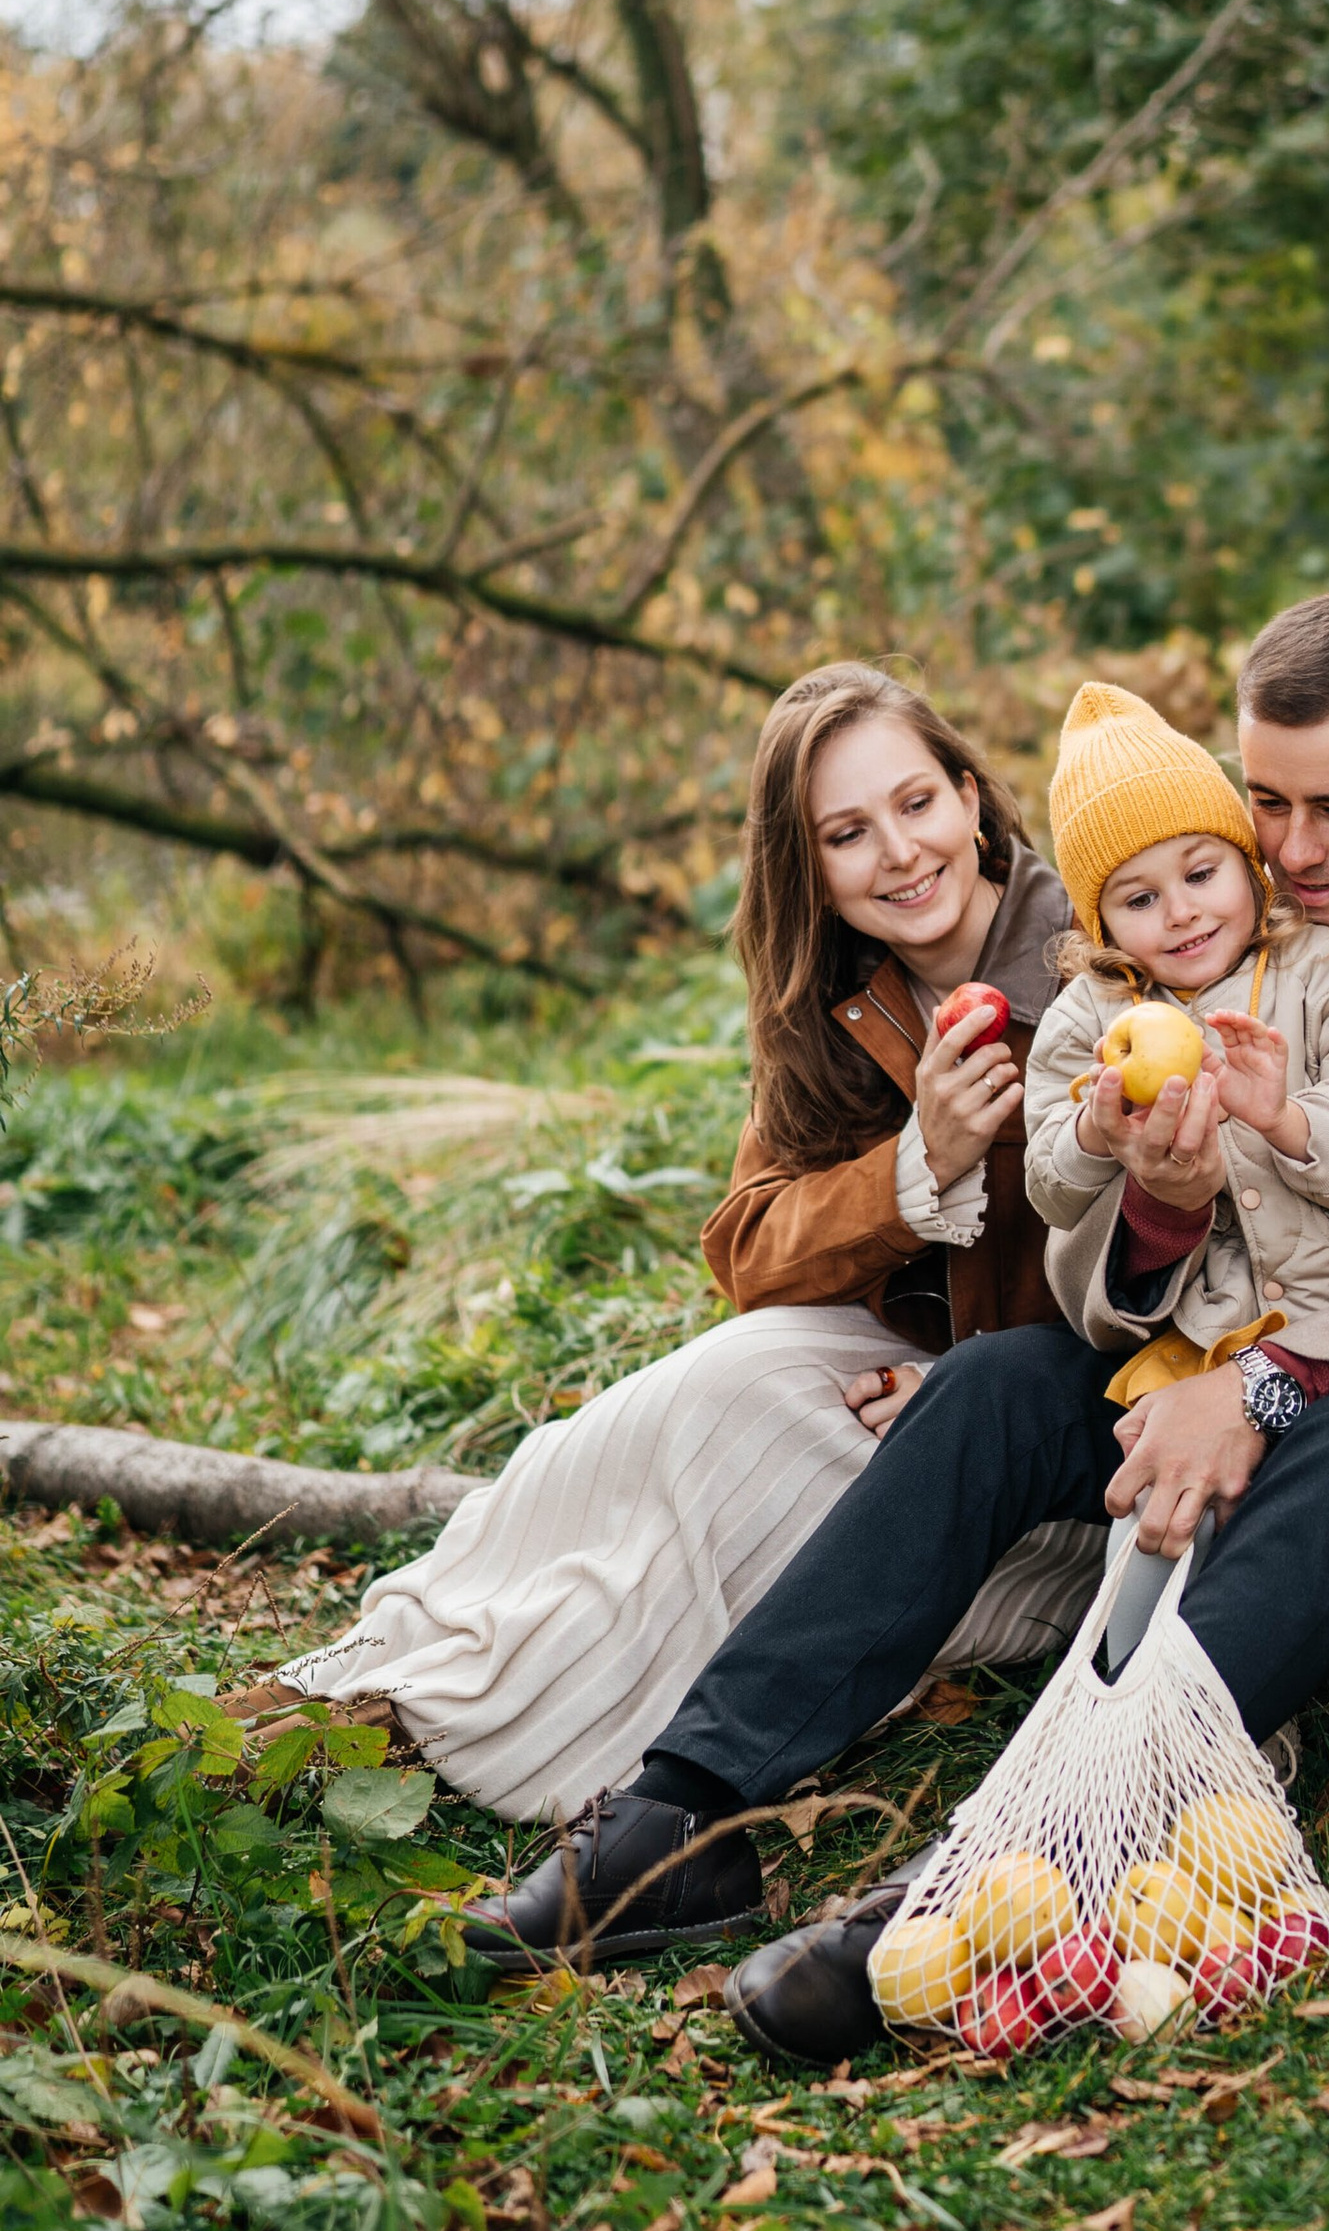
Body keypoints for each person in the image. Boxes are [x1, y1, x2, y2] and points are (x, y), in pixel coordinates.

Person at [463, 591, 1329, 2041]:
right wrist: (1161, 1207)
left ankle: (999, 1882)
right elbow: (1089, 1254)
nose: (1292, 851)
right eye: (1268, 804)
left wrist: (1271, 1386)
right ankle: (681, 1818)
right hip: (1217, 1343)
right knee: (992, 1389)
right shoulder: (1205, 924)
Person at [284, 662, 1103, 1830]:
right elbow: (751, 1254)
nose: (899, 853)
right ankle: (400, 1667)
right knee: (684, 1403)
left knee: (745, 1491)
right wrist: (914, 1171)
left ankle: (534, 1739)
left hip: (1042, 1435)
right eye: (847, 833)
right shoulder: (840, 997)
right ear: (809, 866)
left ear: (972, 797)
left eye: (916, 805)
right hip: (904, 1369)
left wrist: (959, 1389)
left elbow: (1154, 1269)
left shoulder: (1094, 958)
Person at [1024, 679, 1329, 1395]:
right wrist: (1093, 1134)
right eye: (1142, 898)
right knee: (1162, 1498)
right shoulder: (1089, 1022)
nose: (1182, 912)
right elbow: (1050, 1193)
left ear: (1247, 866)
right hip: (1206, 1346)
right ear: (1104, 923)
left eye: (1201, 873)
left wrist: (1286, 1117)